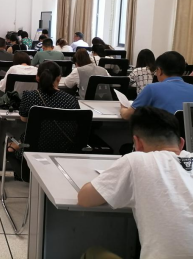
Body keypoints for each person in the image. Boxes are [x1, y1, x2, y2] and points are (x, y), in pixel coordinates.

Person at [78, 107, 193, 259]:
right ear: (182, 143)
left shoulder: (136, 161)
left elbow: (85, 199)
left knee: (93, 253)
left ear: (137, 143)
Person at [6, 61, 80, 159]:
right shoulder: (71, 99)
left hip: (34, 152)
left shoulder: (29, 96)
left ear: (37, 78)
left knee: (19, 140)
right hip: (65, 152)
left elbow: (24, 119)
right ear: (59, 78)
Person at [121, 51, 193, 120]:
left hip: (161, 128)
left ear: (160, 71)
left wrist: (123, 108)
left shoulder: (151, 89)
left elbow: (128, 115)